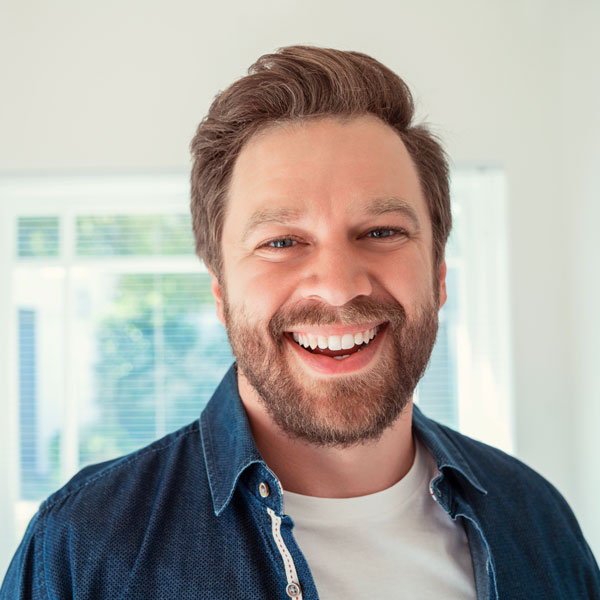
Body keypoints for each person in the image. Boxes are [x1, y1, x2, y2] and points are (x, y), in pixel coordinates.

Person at [1, 45, 598, 600]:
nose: (339, 287)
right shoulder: (84, 548)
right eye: (282, 241)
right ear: (220, 290)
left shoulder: (538, 521)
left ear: (439, 274)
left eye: (382, 232)